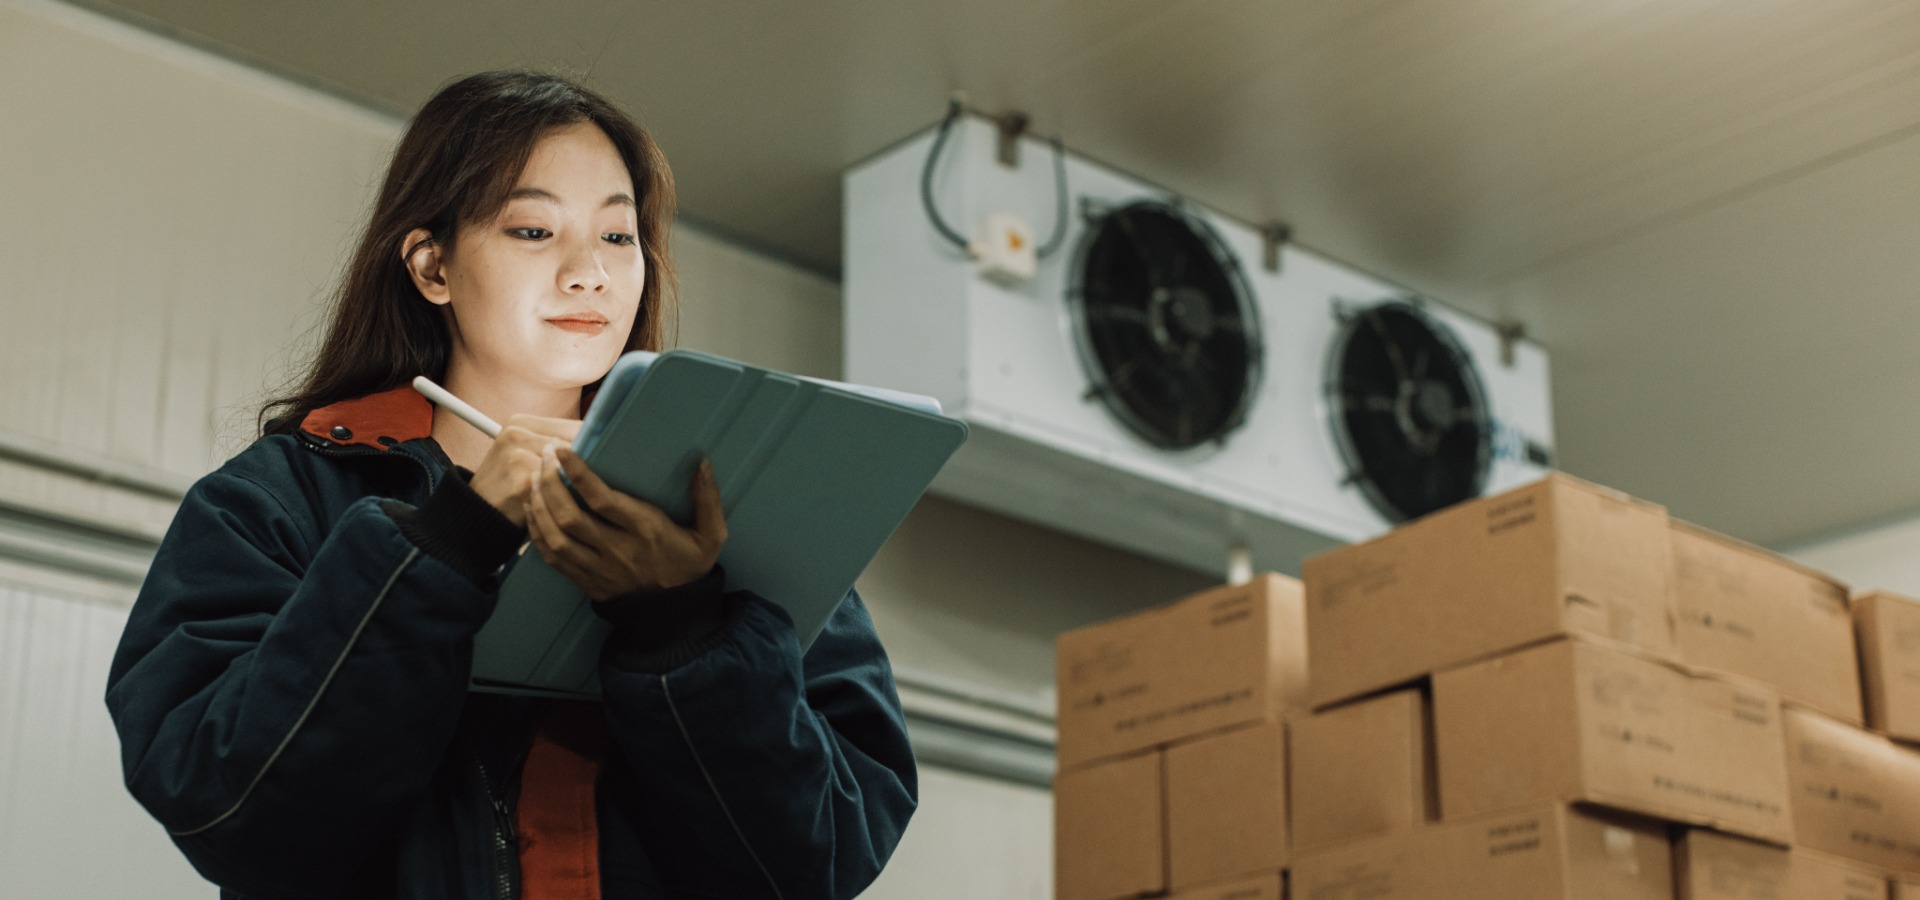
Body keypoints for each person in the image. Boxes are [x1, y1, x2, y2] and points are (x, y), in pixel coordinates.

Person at [104, 70, 916, 900]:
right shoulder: (275, 501)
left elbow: (821, 863)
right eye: (532, 230)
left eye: (618, 236)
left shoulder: (741, 503)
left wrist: (680, 627)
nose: (587, 273)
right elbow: (231, 818)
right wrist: (450, 541)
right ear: (431, 267)